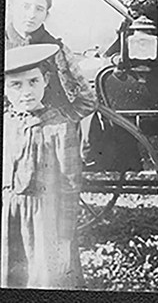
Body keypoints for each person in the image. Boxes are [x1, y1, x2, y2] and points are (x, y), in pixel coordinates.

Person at [1, 44, 97, 289]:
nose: (26, 92)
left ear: (46, 80)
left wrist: (65, 239)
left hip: (46, 223)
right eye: (16, 84)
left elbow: (70, 188)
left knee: (46, 281)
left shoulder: (59, 126)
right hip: (8, 220)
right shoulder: (7, 124)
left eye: (33, 82)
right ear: (5, 88)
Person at [5, 0, 97, 163]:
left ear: (46, 15)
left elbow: (88, 99)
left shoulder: (58, 50)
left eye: (39, 9)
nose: (31, 15)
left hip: (51, 145)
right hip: (9, 142)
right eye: (25, 6)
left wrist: (62, 122)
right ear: (11, 7)